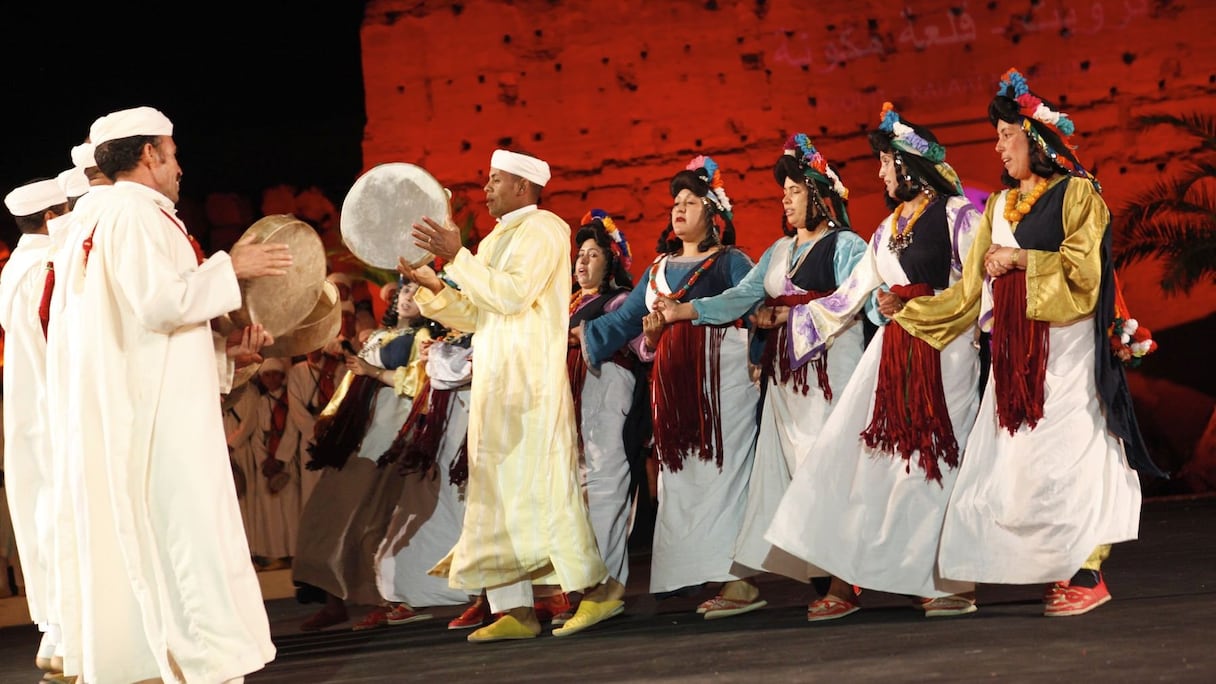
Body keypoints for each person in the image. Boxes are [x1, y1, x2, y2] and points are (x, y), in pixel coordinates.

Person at [896, 69, 1166, 616]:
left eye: (1005, 135)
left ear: (1036, 139)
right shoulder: (996, 207)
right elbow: (968, 293)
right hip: (1014, 364)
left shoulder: (1078, 195)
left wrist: (1021, 259)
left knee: (1070, 456)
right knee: (1015, 467)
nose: (997, 147)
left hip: (1067, 353)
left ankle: (1087, 570)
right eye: (996, 137)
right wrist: (908, 312)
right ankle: (1045, 566)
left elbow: (1085, 276)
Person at [49, 106, 290, 683]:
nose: (180, 167)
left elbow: (141, 327)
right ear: (150, 154)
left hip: (148, 406)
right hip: (161, 422)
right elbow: (160, 303)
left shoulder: (102, 218)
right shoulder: (133, 214)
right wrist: (236, 267)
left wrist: (224, 356)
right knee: (188, 540)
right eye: (173, 153)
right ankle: (204, 667)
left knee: (173, 537)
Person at [765, 107, 984, 620]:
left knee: (935, 465)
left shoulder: (958, 216)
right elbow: (852, 293)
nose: (882, 174)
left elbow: (976, 290)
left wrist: (918, 303)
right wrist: (793, 324)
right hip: (894, 357)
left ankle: (949, 583)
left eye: (886, 163)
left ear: (908, 163)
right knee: (857, 456)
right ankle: (849, 578)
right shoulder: (885, 230)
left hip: (946, 355)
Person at [400, 148, 608, 643]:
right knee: (496, 499)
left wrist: (457, 256)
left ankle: (598, 593)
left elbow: (512, 295)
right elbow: (480, 314)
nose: (486, 188)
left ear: (523, 187)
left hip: (529, 382)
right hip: (495, 382)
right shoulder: (496, 238)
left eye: (496, 180)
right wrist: (434, 287)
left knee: (545, 491)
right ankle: (515, 609)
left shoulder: (545, 230)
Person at [655, 135, 867, 594]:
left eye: (794, 191)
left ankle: (843, 583)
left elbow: (856, 299)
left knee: (828, 468)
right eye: (783, 193)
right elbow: (741, 297)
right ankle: (821, 575)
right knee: (792, 473)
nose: (786, 201)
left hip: (832, 371)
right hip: (788, 382)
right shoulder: (779, 251)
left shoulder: (847, 245)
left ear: (817, 194)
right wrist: (684, 311)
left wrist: (790, 313)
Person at [573, 155, 762, 620]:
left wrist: (760, 354)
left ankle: (739, 582)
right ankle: (698, 573)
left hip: (724, 388)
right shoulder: (659, 268)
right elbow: (621, 320)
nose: (679, 209)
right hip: (674, 394)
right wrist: (579, 335)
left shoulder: (731, 261)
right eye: (675, 202)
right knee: (683, 484)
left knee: (725, 476)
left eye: (691, 201)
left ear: (713, 213)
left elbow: (756, 304)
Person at [292, 282, 433, 631]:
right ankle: (332, 599)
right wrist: (331, 418)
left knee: (373, 523)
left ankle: (389, 601)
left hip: (393, 437)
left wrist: (373, 372)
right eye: (405, 291)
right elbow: (349, 384)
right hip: (361, 436)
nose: (408, 297)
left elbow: (421, 384)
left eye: (418, 293)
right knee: (325, 516)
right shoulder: (379, 336)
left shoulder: (425, 338)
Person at [552, 209, 644, 635]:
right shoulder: (563, 306)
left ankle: (606, 590)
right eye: (580, 254)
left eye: (593, 254)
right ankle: (580, 585)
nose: (582, 262)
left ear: (612, 262)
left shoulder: (619, 303)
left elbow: (644, 347)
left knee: (606, 485)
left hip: (606, 393)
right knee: (576, 491)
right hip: (569, 403)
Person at [0, 178, 70, 678]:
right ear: (52, 218)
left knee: (44, 517)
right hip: (56, 406)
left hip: (32, 412)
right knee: (63, 519)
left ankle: (55, 634)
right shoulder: (48, 267)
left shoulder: (13, 268)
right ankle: (66, 632)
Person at [374, 330, 477, 624]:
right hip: (444, 436)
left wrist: (439, 356)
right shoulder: (443, 338)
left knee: (472, 514)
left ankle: (485, 595)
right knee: (434, 514)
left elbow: (463, 368)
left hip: (477, 431)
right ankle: (409, 594)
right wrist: (433, 357)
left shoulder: (494, 327)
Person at [250, 356, 301, 569]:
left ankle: (294, 552)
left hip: (285, 460)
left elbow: (292, 429)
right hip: (268, 464)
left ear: (282, 377)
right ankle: (277, 553)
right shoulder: (261, 402)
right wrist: (264, 461)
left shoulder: (290, 399)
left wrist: (280, 459)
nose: (270, 379)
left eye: (275, 374)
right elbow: (256, 435)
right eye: (266, 375)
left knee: (291, 508)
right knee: (271, 510)